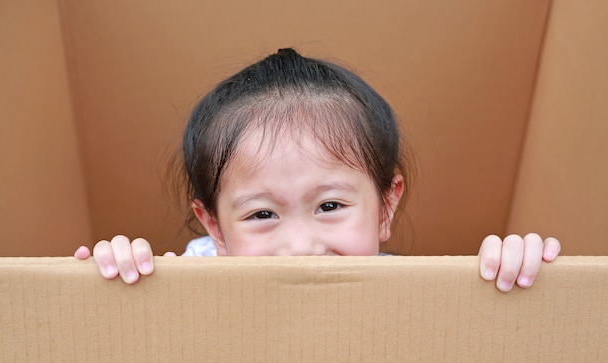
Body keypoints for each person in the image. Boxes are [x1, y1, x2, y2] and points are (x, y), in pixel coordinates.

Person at [74, 48, 561, 292]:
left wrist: (510, 271)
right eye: (262, 215)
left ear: (386, 207)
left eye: (329, 205)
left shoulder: (407, 290)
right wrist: (121, 274)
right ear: (214, 227)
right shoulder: (189, 280)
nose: (300, 246)